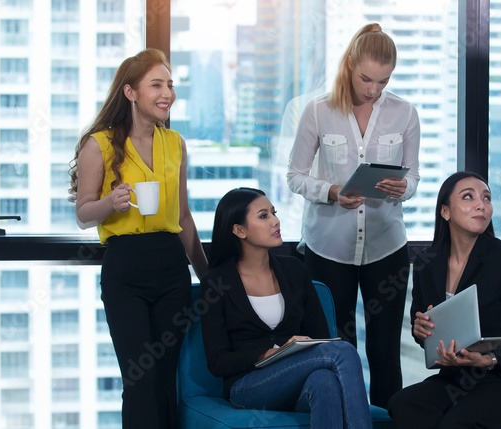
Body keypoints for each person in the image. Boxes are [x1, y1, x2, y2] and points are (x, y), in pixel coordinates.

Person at [68, 48, 207, 429]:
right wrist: (110, 204)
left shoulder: (174, 143)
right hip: (125, 269)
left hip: (170, 268)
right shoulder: (98, 144)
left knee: (165, 380)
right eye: (156, 85)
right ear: (130, 92)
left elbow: (183, 218)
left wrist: (208, 277)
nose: (167, 94)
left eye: (171, 85)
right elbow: (82, 214)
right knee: (139, 379)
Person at [286, 23, 419, 408]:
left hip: (386, 247)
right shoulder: (317, 111)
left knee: (385, 352)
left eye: (383, 81)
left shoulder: (405, 113)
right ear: (349, 66)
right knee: (336, 351)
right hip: (328, 249)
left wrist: (403, 188)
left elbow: (413, 177)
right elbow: (295, 176)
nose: (373, 90)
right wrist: (330, 192)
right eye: (366, 78)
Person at [200, 187, 372, 429]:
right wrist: (266, 354)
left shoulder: (294, 270)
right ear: (239, 230)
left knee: (324, 381)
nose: (275, 221)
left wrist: (297, 348)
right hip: (248, 385)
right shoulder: (216, 283)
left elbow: (321, 338)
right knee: (342, 351)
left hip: (297, 378)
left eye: (274, 213)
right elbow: (217, 362)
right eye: (263, 216)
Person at [388, 172, 501, 428]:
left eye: (486, 198)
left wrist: (491, 359)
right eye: (468, 197)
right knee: (402, 404)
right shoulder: (426, 263)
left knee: (456, 422)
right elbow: (423, 328)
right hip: (457, 379)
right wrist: (421, 332)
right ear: (445, 212)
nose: (481, 205)